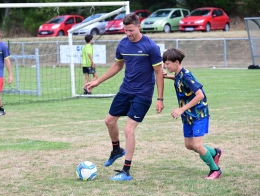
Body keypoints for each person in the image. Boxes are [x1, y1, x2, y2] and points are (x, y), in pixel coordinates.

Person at [84, 14, 164, 181]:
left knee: (129, 129)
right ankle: (116, 150)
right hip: (125, 90)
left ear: (138, 26)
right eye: (126, 30)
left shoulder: (151, 47)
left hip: (143, 93)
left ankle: (126, 171)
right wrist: (97, 81)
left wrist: (160, 98)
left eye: (131, 30)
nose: (128, 33)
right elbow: (117, 66)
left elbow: (158, 72)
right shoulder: (123, 44)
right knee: (109, 121)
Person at [162, 48, 222, 180]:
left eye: (167, 63)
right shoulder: (179, 74)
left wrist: (181, 109)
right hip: (188, 116)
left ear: (176, 62)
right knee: (189, 145)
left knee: (197, 145)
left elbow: (200, 95)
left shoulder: (186, 75)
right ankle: (214, 152)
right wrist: (169, 77)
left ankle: (215, 170)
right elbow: (179, 80)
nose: (165, 66)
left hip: (199, 114)